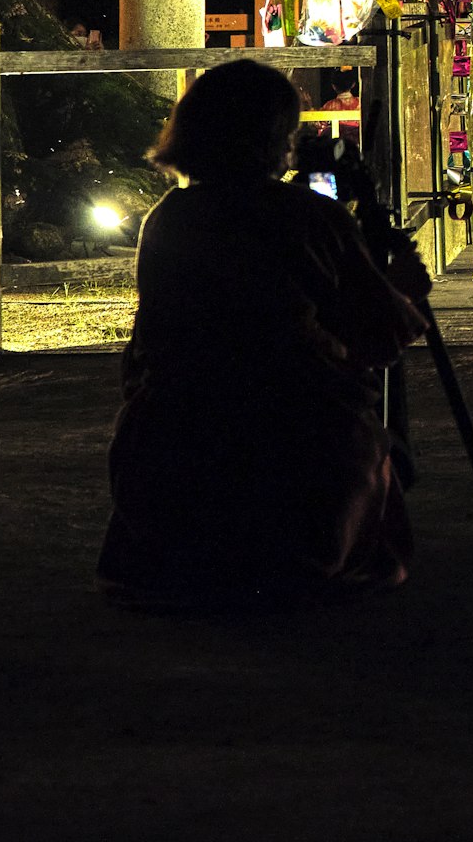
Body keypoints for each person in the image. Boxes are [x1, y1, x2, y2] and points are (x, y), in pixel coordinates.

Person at [98, 56, 423, 609]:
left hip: (169, 453)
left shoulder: (168, 217)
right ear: (274, 136)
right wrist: (401, 285)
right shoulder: (308, 217)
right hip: (294, 447)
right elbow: (381, 333)